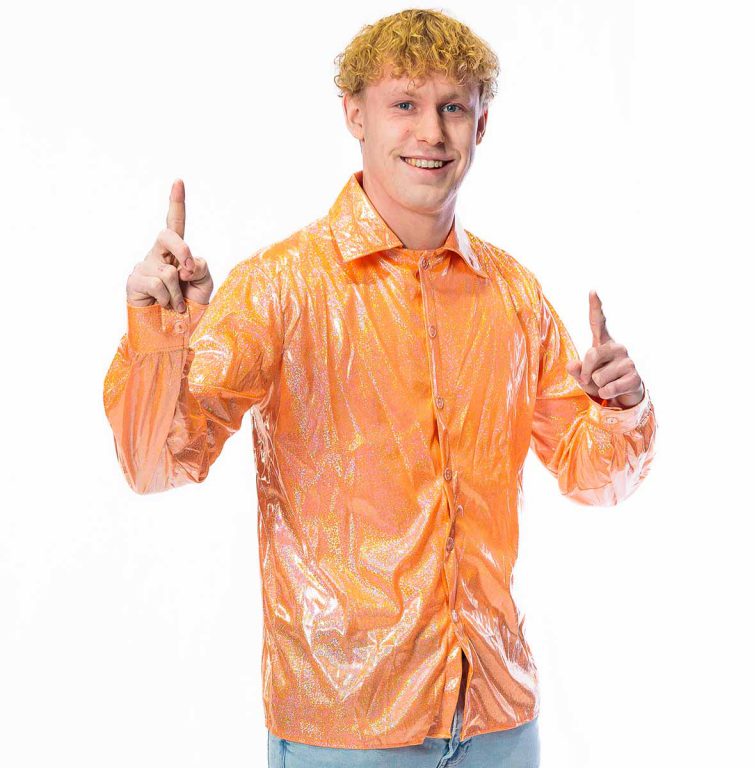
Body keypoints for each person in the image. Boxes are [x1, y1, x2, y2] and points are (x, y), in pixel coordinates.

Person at [103, 8, 657, 767]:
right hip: (347, 729)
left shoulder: (513, 295)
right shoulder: (281, 287)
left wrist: (622, 411)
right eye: (404, 103)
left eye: (453, 107)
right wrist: (160, 337)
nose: (431, 132)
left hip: (498, 724)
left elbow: (594, 477)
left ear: (481, 124)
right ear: (354, 115)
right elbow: (155, 464)